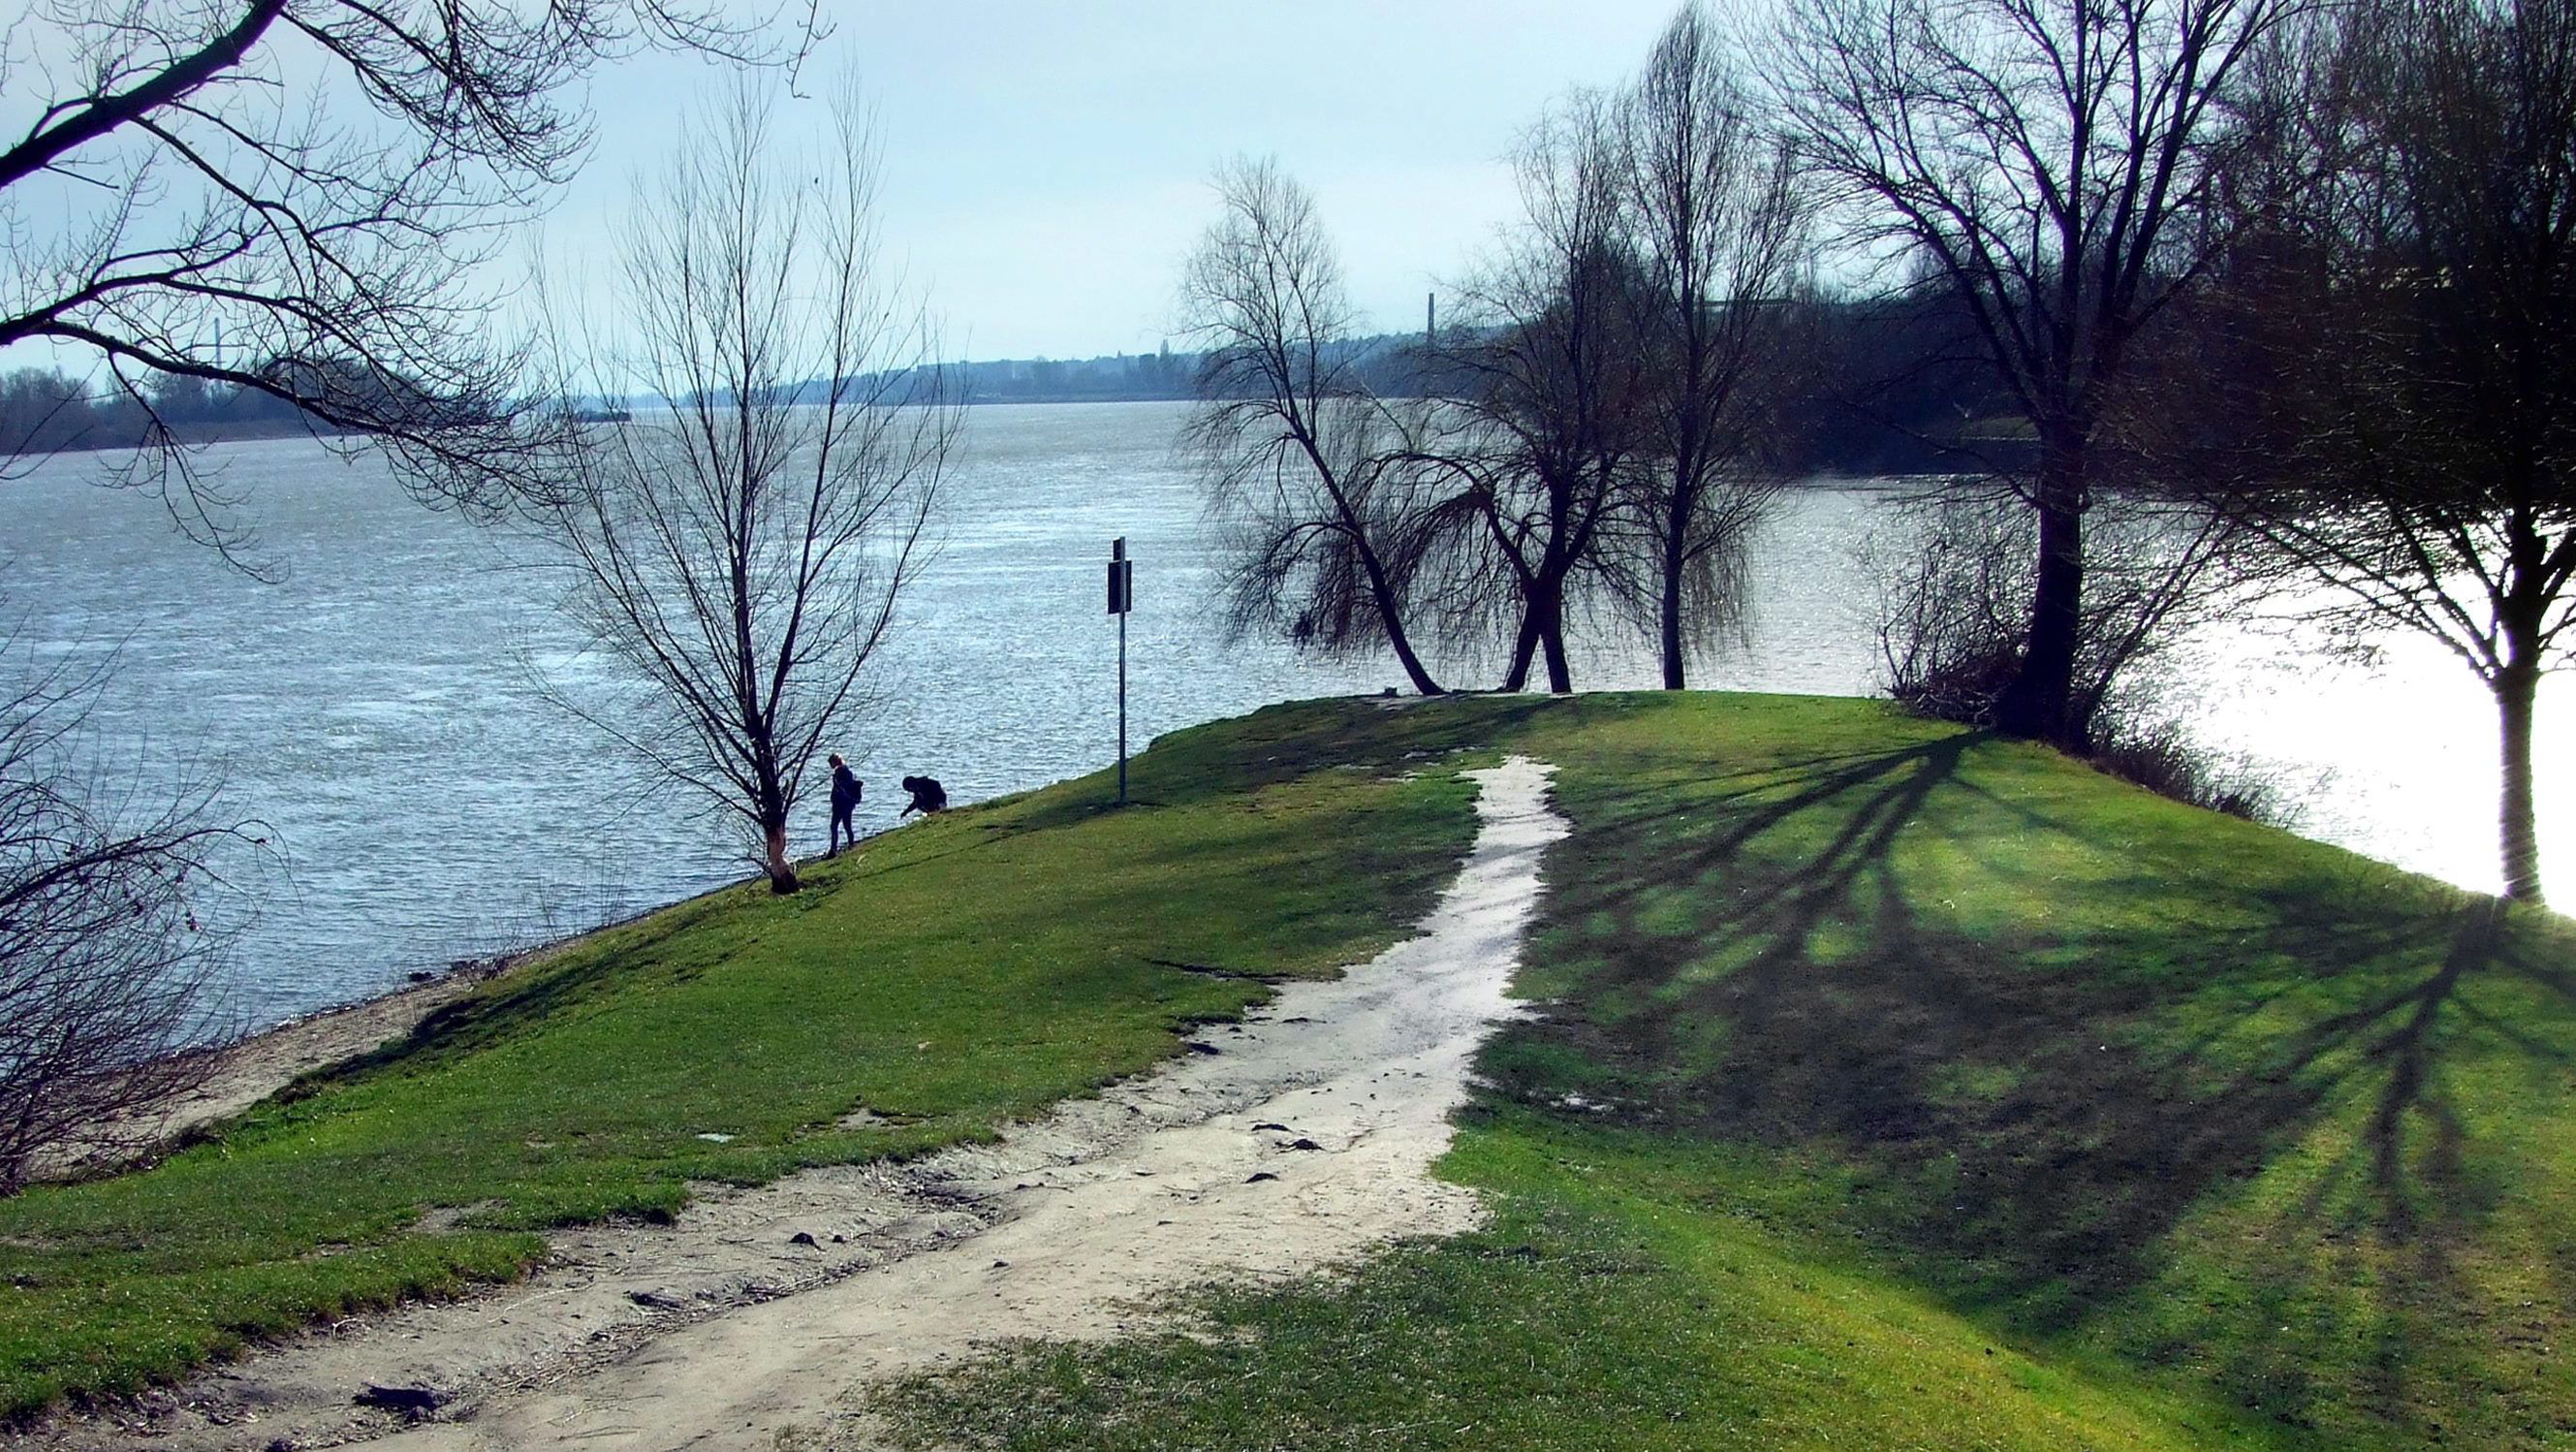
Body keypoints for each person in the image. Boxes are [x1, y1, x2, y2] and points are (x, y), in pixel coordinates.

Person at [828, 753, 863, 855]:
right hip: (845, 803)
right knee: (846, 825)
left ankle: (834, 849)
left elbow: (844, 788)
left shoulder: (843, 773)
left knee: (835, 826)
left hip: (842, 803)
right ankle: (850, 844)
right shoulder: (843, 772)